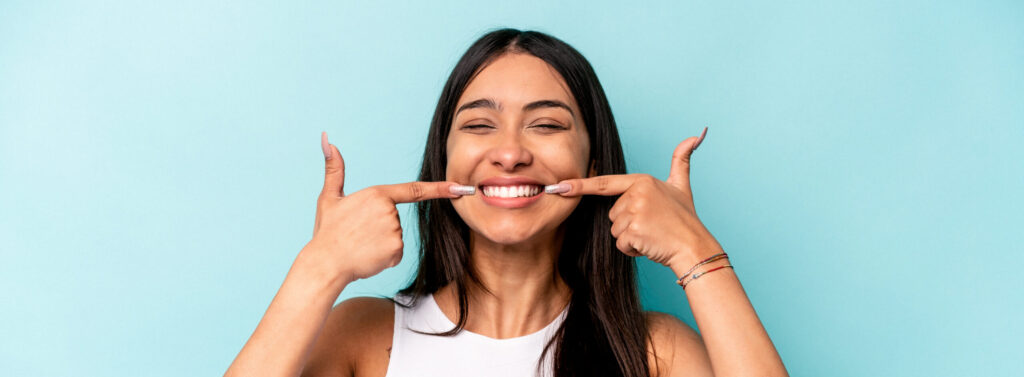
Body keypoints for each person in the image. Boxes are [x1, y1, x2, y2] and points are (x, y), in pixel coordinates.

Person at [226, 28, 787, 377]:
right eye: (479, 125)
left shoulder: (654, 353)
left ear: (595, 166)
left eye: (545, 124)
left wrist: (695, 250)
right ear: (443, 160)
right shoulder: (366, 335)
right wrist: (319, 268)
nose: (511, 153)